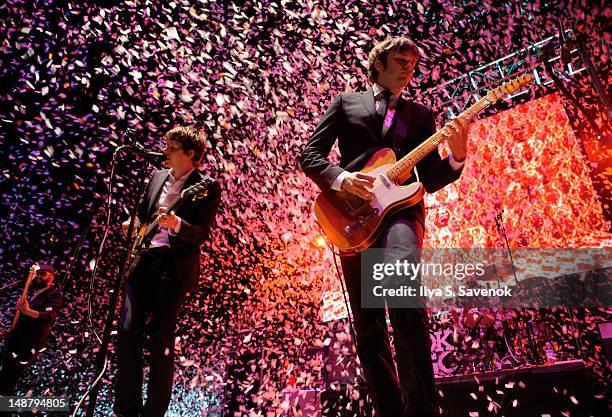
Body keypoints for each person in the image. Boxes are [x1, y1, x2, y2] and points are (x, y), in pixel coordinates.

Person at [300, 36, 470, 417]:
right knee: (369, 322)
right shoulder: (346, 103)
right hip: (352, 217)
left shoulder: (421, 114)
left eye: (413, 62)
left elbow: (430, 176)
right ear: (377, 63)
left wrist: (456, 158)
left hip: (402, 215)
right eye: (400, 60)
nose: (409, 68)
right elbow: (309, 155)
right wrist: (343, 179)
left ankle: (422, 410)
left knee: (406, 299)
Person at [114, 126, 221, 417]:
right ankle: (127, 409)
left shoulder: (206, 185)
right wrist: (133, 224)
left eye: (171, 148)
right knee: (126, 332)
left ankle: (154, 412)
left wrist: (177, 225)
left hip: (172, 268)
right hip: (143, 261)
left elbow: (200, 234)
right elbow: (142, 214)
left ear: (190, 154)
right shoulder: (157, 177)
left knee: (160, 340)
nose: (164, 151)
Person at [0, 264, 63, 395]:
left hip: (26, 346)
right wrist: (12, 330)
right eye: (37, 274)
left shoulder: (54, 294)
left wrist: (28, 311)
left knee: (7, 382)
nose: (38, 277)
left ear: (52, 277)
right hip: (16, 341)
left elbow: (49, 317)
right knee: (4, 380)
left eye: (43, 274)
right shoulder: (34, 294)